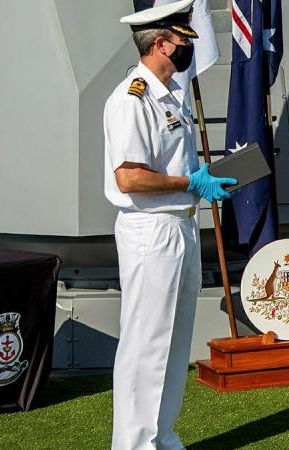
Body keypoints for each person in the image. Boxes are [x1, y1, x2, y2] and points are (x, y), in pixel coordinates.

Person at [103, 1, 236, 448]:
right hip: (149, 231)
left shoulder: (171, 93)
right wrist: (191, 182)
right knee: (146, 344)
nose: (187, 51)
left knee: (176, 341)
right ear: (160, 43)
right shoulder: (131, 98)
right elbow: (130, 176)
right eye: (183, 42)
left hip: (179, 226)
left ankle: (161, 435)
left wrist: (199, 185)